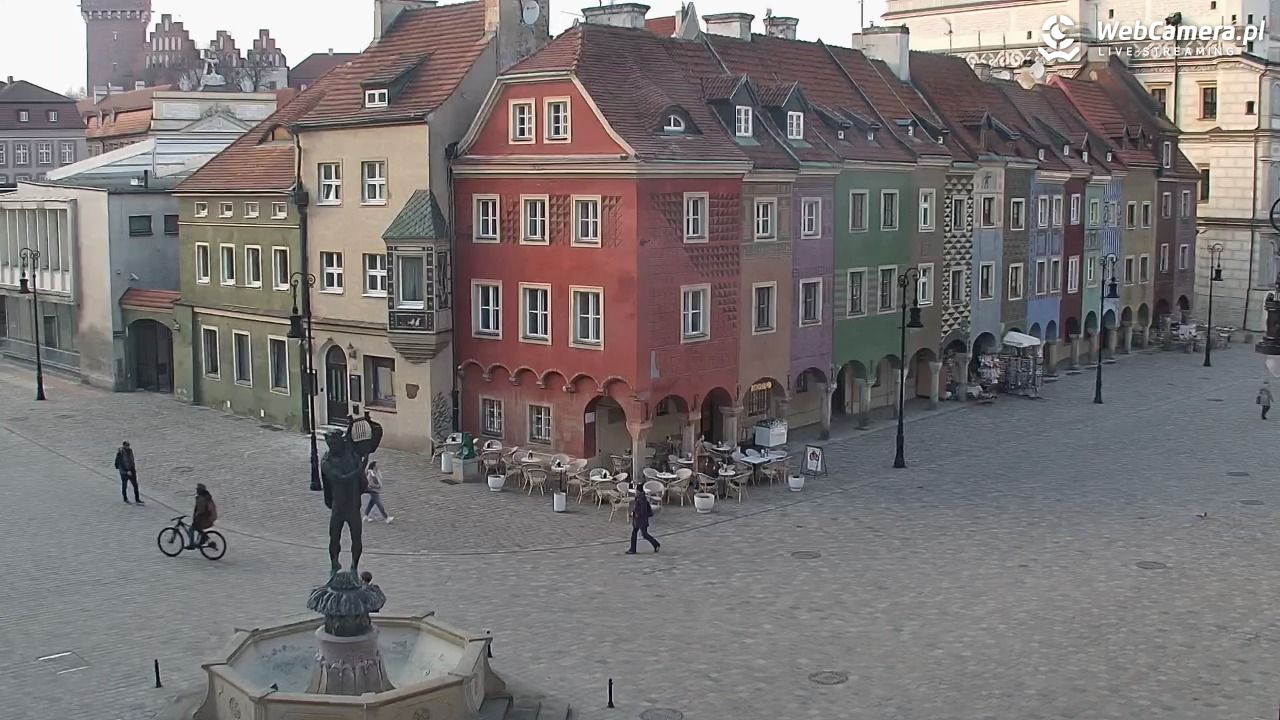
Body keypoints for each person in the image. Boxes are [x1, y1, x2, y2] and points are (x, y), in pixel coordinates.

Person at [189, 484, 217, 549]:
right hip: (209, 518)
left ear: (200, 490)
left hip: (206, 519)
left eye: (197, 489)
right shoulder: (206, 497)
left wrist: (195, 518)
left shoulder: (202, 498)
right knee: (198, 528)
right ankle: (203, 539)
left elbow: (200, 511)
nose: (196, 491)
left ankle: (192, 545)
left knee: (192, 529)